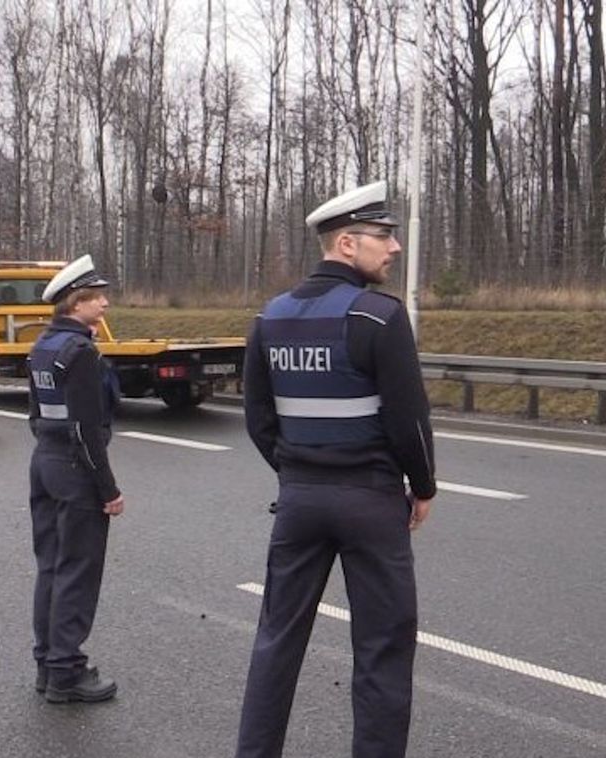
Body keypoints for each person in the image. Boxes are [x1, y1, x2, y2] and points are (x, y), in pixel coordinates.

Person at [236, 180, 437, 758]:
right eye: (383, 236)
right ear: (346, 243)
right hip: (371, 502)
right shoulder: (378, 317)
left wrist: (298, 471)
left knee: (276, 641)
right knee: (382, 649)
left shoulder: (270, 318)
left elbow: (258, 418)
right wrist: (421, 486)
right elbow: (410, 422)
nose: (394, 247)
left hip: (299, 501)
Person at [27, 254, 124, 704]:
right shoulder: (80, 352)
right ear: (75, 302)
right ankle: (67, 671)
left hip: (44, 462)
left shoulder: (43, 346)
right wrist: (109, 490)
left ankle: (48, 663)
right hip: (74, 469)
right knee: (78, 572)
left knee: (51, 565)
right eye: (97, 297)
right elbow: (87, 431)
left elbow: (35, 415)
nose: (105, 304)